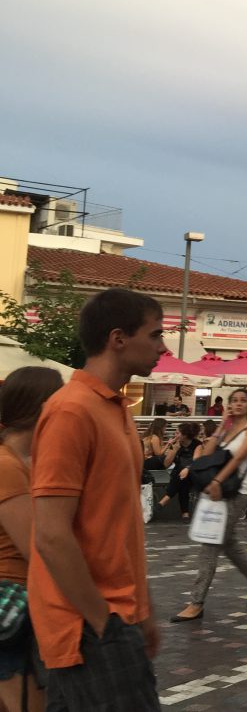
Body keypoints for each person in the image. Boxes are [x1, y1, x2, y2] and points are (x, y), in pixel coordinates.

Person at [31, 287, 165, 710]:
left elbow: (119, 526)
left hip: (116, 616)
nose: (163, 347)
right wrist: (101, 620)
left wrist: (142, 610)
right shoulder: (71, 410)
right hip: (87, 625)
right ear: (118, 339)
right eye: (156, 334)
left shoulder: (118, 410)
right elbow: (51, 534)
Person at [171, 388, 247, 623]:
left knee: (210, 543)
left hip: (237, 491)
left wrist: (216, 480)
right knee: (229, 543)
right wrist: (222, 425)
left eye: (243, 400)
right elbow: (206, 455)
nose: (238, 404)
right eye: (233, 400)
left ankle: (196, 602)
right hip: (218, 491)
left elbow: (237, 458)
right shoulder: (226, 430)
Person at [0, 366, 63, 711]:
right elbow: (36, 547)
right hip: (13, 604)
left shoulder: (21, 463)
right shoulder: (7, 466)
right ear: (41, 408)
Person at [159, 421, 200, 520]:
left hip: (193, 471)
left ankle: (165, 499)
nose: (175, 435)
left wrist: (187, 469)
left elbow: (196, 461)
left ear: (185, 435)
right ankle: (185, 514)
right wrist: (174, 449)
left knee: (183, 476)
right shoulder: (176, 445)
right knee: (182, 480)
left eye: (177, 433)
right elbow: (166, 464)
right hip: (179, 474)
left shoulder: (197, 444)